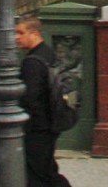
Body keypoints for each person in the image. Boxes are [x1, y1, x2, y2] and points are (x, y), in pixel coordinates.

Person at [15, 16, 71, 187]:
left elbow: (31, 97)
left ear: (34, 34)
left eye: (21, 33)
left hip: (38, 127)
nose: (16, 37)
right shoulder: (48, 53)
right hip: (51, 122)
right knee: (46, 170)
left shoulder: (32, 62)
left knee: (40, 173)